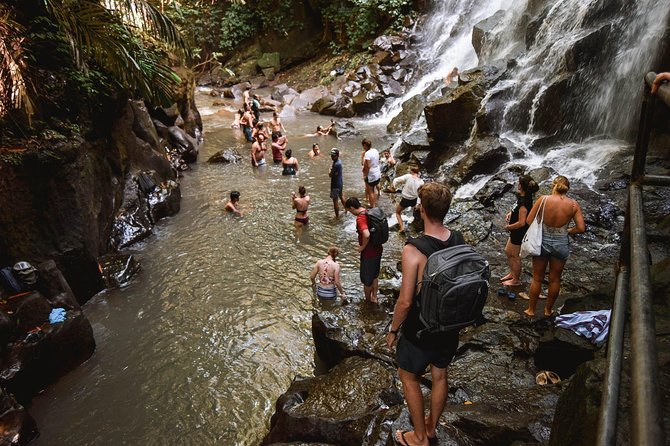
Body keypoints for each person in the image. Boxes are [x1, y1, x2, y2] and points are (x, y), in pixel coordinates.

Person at [385, 182, 463, 446]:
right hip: (450, 324)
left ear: (421, 210)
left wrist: (393, 330)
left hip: (421, 328)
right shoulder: (458, 240)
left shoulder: (414, 250)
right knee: (440, 374)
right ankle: (431, 430)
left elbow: (406, 301)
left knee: (408, 376)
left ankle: (419, 437)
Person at [524, 176, 585, 317]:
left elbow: (528, 220)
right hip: (561, 243)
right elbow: (581, 228)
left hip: (542, 242)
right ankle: (548, 310)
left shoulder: (543, 200)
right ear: (567, 188)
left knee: (537, 278)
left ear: (554, 186)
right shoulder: (574, 205)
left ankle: (531, 310)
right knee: (555, 279)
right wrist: (568, 231)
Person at [501, 175, 540, 286]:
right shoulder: (523, 196)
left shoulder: (524, 202)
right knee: (508, 252)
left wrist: (509, 227)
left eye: (519, 183)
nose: (517, 184)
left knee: (515, 256)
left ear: (521, 186)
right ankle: (512, 273)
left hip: (518, 233)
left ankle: (516, 280)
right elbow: (517, 209)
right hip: (515, 232)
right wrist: (511, 213)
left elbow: (522, 223)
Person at [345, 197, 382, 303]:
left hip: (369, 253)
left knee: (367, 280)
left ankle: (368, 302)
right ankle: (374, 297)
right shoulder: (368, 212)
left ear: (352, 208)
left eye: (350, 211)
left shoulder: (361, 218)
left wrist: (362, 247)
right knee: (375, 275)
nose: (351, 213)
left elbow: (366, 234)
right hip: (378, 249)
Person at [392, 166, 425, 234]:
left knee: (398, 213)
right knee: (416, 213)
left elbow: (396, 180)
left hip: (405, 200)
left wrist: (394, 187)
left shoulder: (408, 176)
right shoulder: (421, 182)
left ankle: (402, 228)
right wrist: (418, 204)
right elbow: (420, 194)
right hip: (414, 200)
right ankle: (418, 227)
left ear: (411, 171)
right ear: (418, 172)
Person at [361, 138, 381, 208]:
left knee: (370, 192)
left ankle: (373, 207)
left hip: (371, 175)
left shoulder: (367, 154)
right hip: (377, 173)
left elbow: (368, 166)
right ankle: (374, 204)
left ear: (364, 145)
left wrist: (365, 175)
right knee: (374, 190)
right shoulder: (375, 150)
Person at [329, 148, 346, 218]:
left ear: (337, 155)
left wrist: (329, 169)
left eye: (333, 156)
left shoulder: (336, 164)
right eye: (331, 156)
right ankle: (347, 210)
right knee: (341, 196)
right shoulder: (339, 161)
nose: (332, 157)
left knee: (335, 201)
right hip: (340, 183)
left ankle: (337, 216)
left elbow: (330, 175)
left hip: (335, 185)